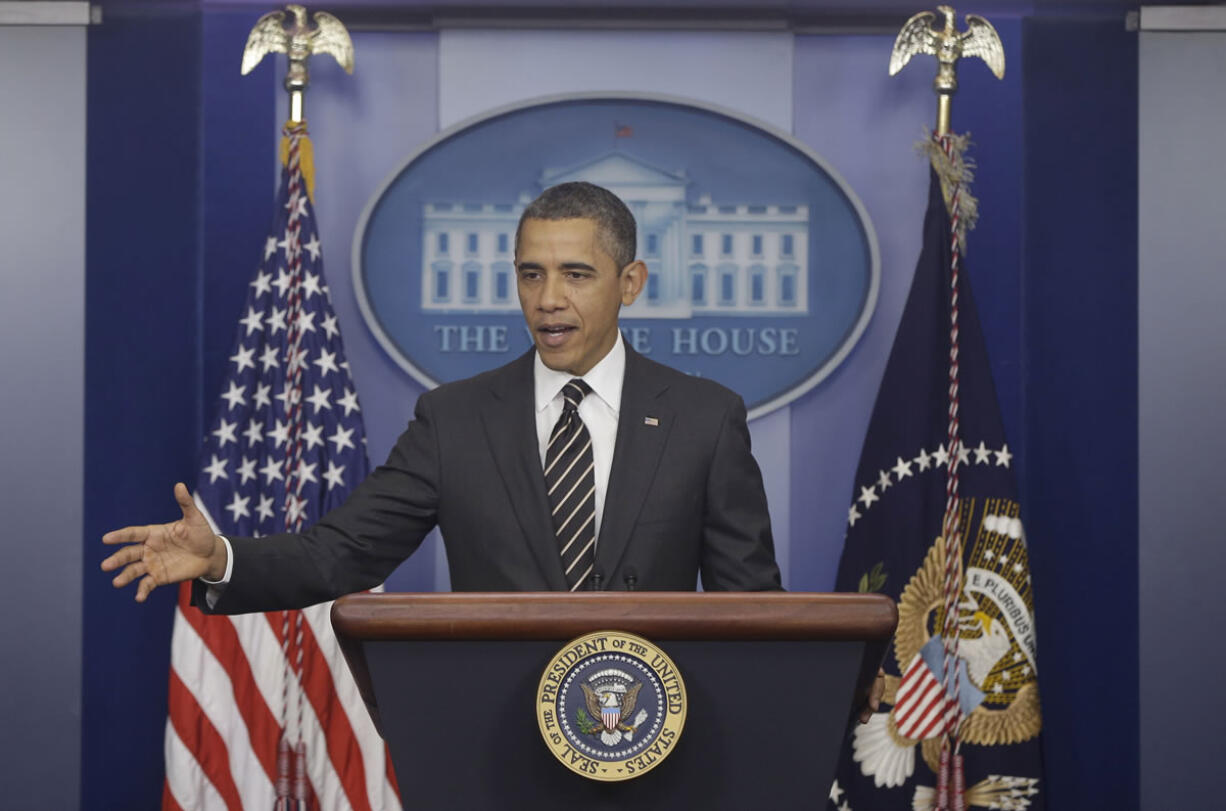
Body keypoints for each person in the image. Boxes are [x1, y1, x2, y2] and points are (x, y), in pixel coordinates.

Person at [102, 181, 783, 612]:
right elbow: (339, 551)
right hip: (499, 742)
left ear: (629, 283)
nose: (548, 299)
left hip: (653, 743)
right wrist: (221, 556)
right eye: (531, 274)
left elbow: (753, 607)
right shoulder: (454, 419)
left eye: (577, 274)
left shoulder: (704, 418)